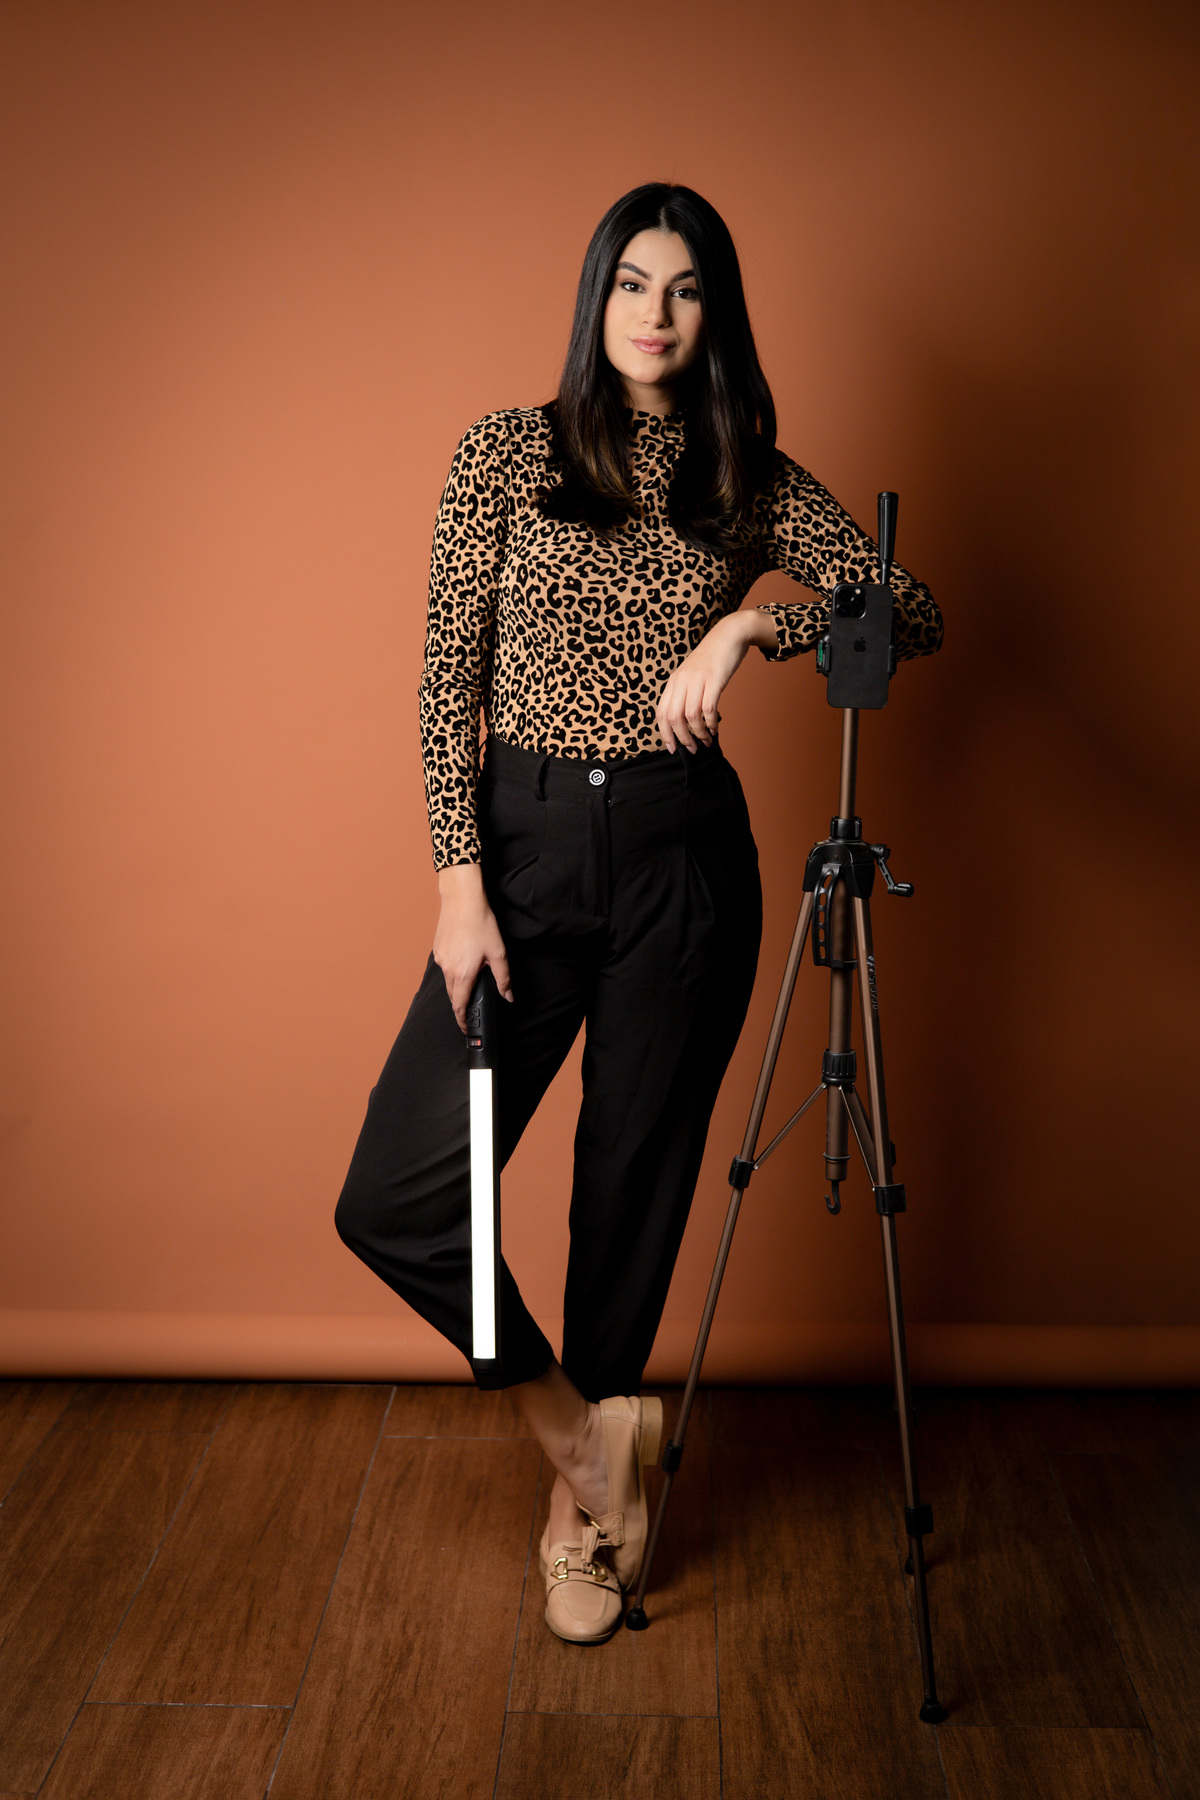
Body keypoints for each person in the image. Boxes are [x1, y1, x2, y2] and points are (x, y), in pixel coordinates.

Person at [335, 183, 942, 1645]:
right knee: (402, 1196)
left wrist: (753, 624)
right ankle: (583, 1443)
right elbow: (446, 679)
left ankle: (585, 1526)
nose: (655, 314)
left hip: (685, 862)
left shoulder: (745, 474)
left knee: (628, 1191)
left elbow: (910, 609)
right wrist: (459, 888)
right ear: (595, 296)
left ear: (713, 311)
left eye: (684, 288)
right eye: (632, 283)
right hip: (524, 853)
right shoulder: (506, 452)